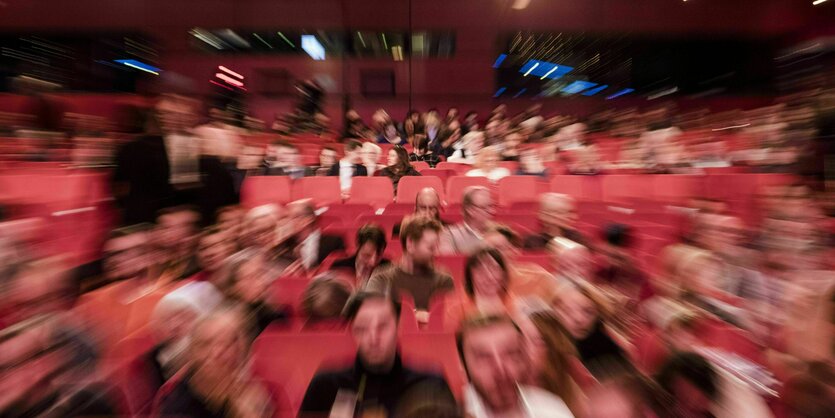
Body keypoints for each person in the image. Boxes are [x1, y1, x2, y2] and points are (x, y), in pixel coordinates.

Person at [299, 292, 453, 417]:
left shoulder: (430, 384)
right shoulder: (326, 385)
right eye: (363, 328)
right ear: (353, 333)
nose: (373, 338)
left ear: (398, 327)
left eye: (383, 326)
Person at [156, 306, 284, 418]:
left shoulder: (260, 381)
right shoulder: (177, 405)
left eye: (227, 344)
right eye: (205, 344)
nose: (216, 353)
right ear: (191, 352)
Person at [122, 281, 221, 415]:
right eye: (168, 319)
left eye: (184, 316)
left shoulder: (216, 356)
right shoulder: (148, 363)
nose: (175, 325)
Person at [458, 315, 575, 418]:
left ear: (523, 359)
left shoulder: (552, 409)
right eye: (483, 357)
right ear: (464, 366)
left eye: (510, 353)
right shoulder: (452, 412)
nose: (500, 369)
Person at [365, 216, 453, 310]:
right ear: (410, 243)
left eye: (437, 246)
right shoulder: (382, 279)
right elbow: (372, 314)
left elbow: (446, 318)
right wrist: (415, 314)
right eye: (431, 247)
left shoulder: (443, 280)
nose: (436, 252)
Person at [553, 281, 632, 378]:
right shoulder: (547, 347)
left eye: (588, 312)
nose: (579, 319)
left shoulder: (609, 352)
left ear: (598, 314)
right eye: (567, 311)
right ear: (552, 312)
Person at [112, 107, 173, 225]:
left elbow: (119, 185)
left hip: (136, 210)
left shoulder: (128, 148)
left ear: (146, 124)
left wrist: (123, 205)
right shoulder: (173, 149)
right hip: (166, 212)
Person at [222, 247, 290, 336]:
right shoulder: (224, 322)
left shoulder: (273, 315)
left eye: (260, 275)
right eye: (251, 278)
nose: (263, 282)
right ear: (232, 287)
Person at [274, 199, 346, 273]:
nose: (286, 223)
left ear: (307, 220)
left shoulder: (333, 242)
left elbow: (340, 273)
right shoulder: (284, 246)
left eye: (292, 218)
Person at [439, 186, 495, 255]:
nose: (492, 211)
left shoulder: (499, 233)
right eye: (485, 207)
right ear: (470, 210)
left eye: (491, 206)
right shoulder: (450, 235)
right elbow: (449, 263)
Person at [154, 206, 201, 284]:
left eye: (166, 227)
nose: (158, 231)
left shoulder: (200, 263)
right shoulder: (166, 260)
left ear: (184, 229)